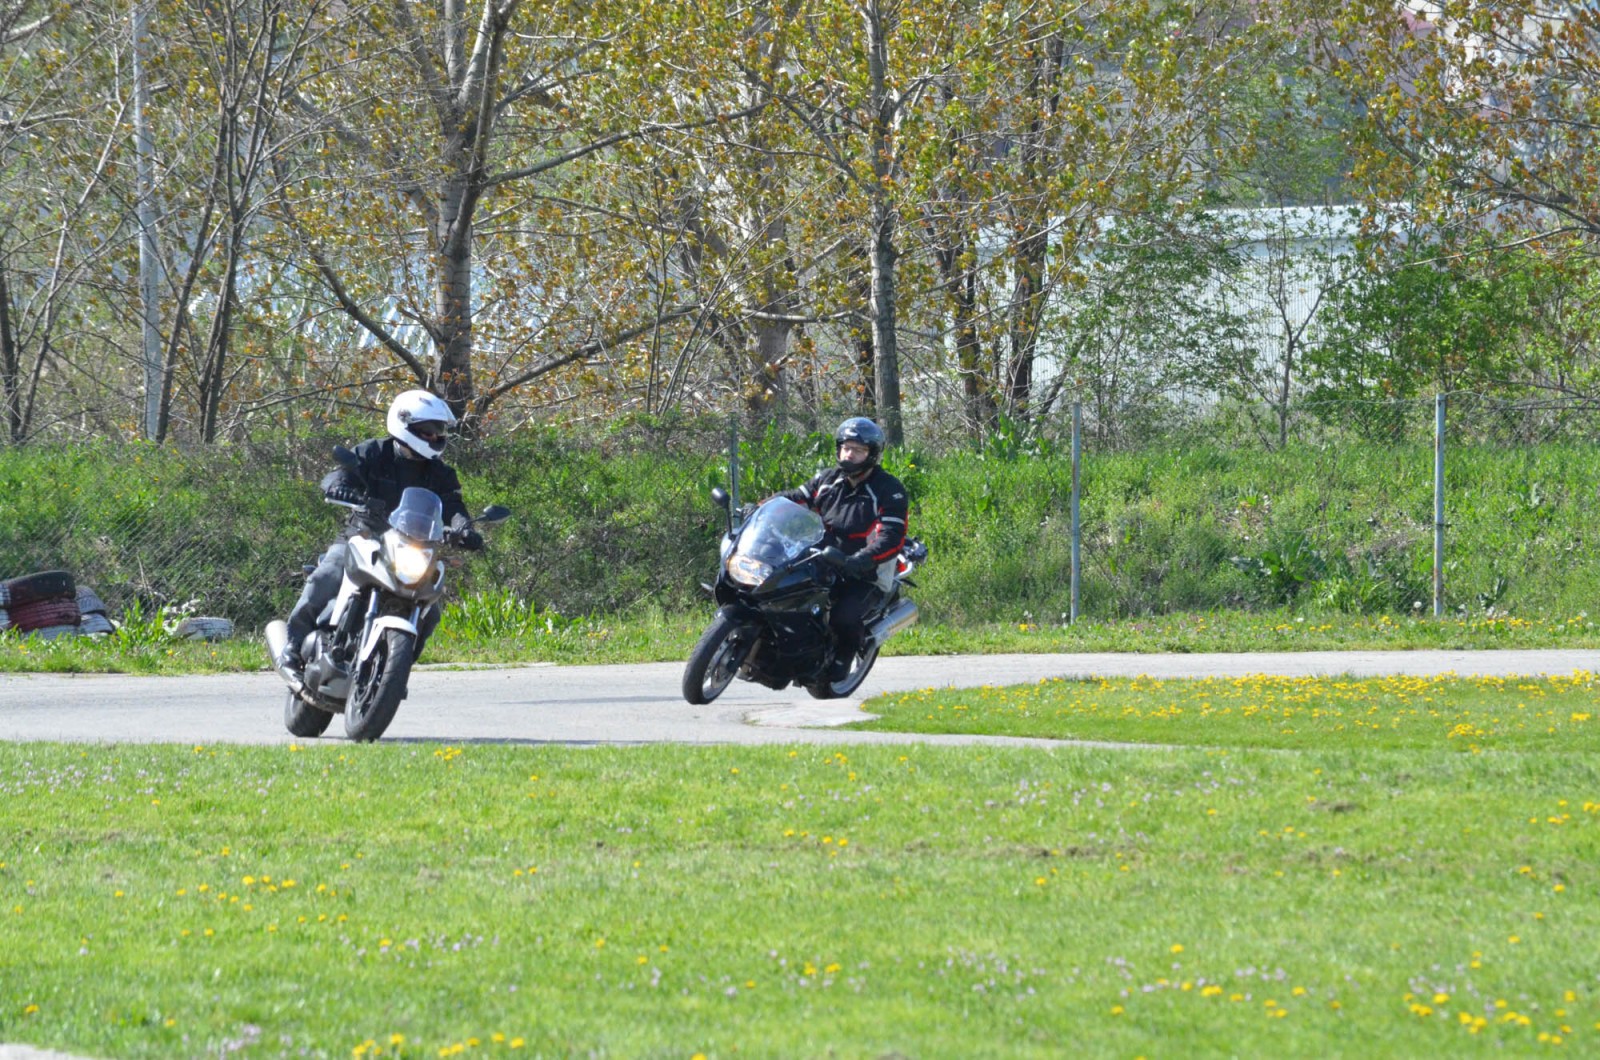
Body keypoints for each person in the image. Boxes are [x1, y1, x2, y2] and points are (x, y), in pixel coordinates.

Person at [277, 389, 483, 682]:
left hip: (411, 547)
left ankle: (392, 671)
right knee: (327, 574)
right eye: (428, 430)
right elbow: (340, 474)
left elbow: (452, 505)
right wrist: (341, 488)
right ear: (404, 424)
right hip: (363, 537)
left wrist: (464, 528)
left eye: (439, 431)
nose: (435, 437)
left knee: (431, 610)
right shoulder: (373, 452)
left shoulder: (440, 472)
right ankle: (293, 645)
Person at [778, 416, 909, 681]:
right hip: (822, 557)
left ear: (872, 454)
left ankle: (844, 655)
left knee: (844, 616)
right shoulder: (828, 479)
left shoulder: (889, 489)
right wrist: (759, 507)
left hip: (866, 570)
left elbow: (892, 536)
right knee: (782, 591)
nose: (850, 454)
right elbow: (795, 499)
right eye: (846, 447)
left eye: (858, 450)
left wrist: (862, 559)